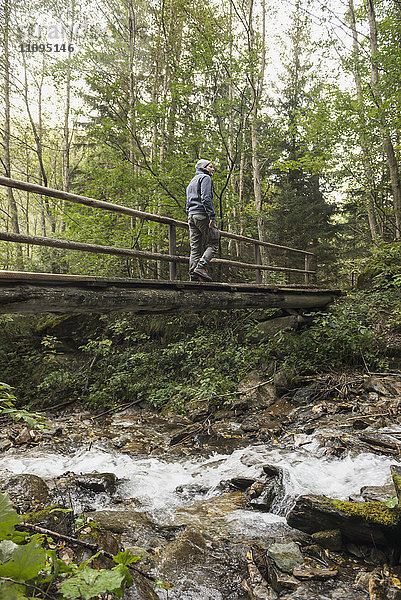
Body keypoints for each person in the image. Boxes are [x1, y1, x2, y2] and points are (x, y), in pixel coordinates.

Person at [186, 159, 220, 281]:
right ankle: (201, 267)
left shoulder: (192, 181)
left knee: (195, 247)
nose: (212, 169)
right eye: (210, 167)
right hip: (202, 214)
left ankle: (193, 275)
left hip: (192, 216)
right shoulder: (205, 178)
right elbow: (206, 198)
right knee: (214, 243)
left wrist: (189, 214)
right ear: (204, 168)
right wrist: (211, 216)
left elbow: (188, 202)